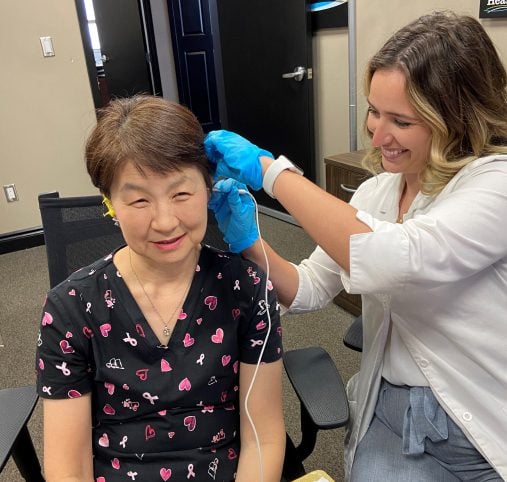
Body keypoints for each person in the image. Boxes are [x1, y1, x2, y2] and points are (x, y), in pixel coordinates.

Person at [205, 11, 507, 482]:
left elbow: (394, 259)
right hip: (393, 411)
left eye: (401, 121)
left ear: (457, 117)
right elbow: (306, 289)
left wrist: (271, 172)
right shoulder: (376, 194)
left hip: (484, 413)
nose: (378, 134)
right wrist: (251, 242)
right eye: (374, 110)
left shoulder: (494, 183)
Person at [35, 95, 285, 482]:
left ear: (210, 189)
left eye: (181, 194)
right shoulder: (71, 307)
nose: (165, 221)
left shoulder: (246, 288)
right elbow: (68, 467)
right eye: (138, 200)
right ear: (110, 204)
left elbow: (264, 438)